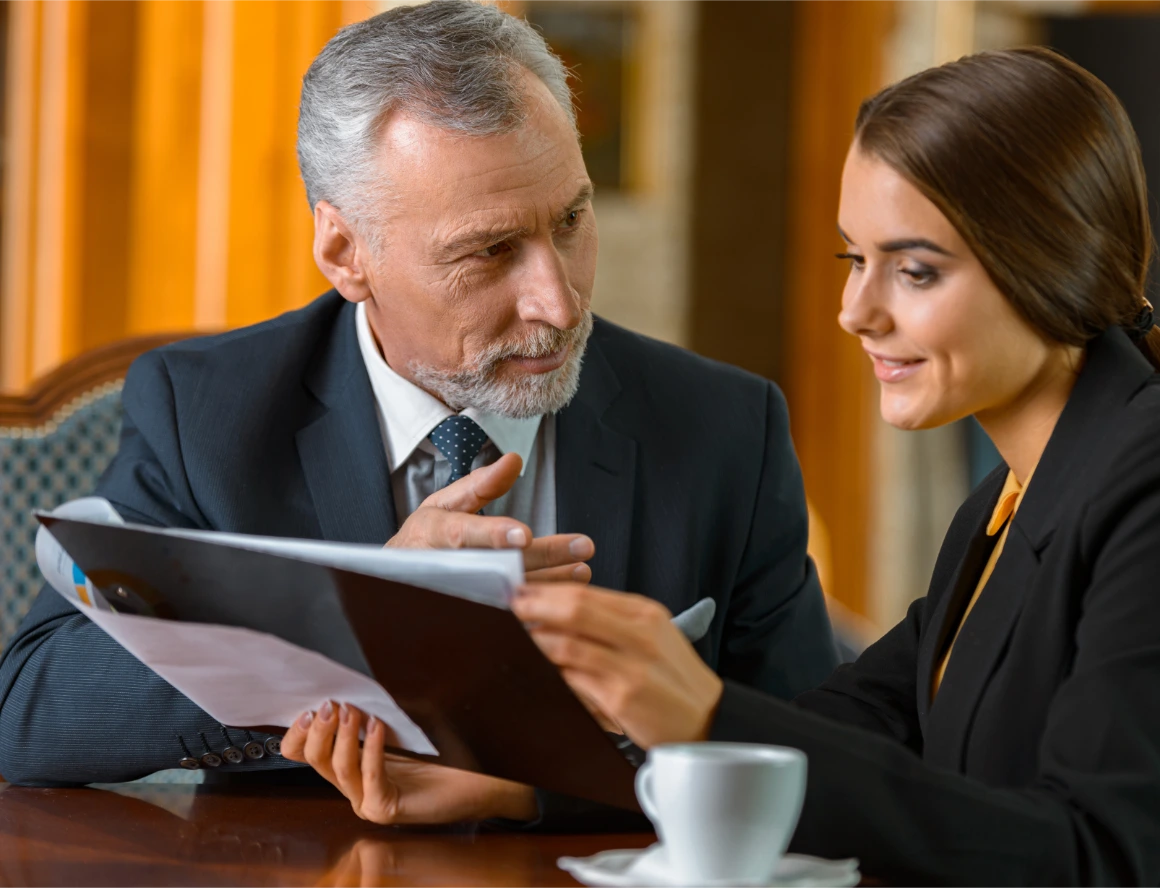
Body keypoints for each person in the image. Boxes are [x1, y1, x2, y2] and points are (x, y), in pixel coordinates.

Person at [296, 48, 1160, 884]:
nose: (855, 311)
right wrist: (522, 786)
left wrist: (689, 705)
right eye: (854, 259)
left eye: (913, 270)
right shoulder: (1012, 499)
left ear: (1048, 259)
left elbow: (1085, 856)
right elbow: (844, 734)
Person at [0, 0, 839, 824]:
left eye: (572, 220)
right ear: (344, 252)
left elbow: (814, 758)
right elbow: (30, 714)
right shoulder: (209, 414)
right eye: (489, 251)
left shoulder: (727, 427)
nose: (557, 301)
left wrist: (542, 798)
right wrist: (359, 610)